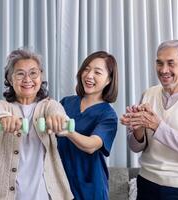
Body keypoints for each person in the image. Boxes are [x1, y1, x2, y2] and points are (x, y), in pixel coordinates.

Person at [120, 40, 178, 200]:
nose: (163, 70)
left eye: (171, 63)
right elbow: (135, 147)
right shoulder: (148, 94)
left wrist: (157, 126)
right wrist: (138, 129)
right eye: (159, 63)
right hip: (146, 183)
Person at [0, 49, 73, 200]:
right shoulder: (3, 106)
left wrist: (57, 119)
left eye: (33, 73)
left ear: (41, 77)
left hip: (44, 193)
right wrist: (4, 119)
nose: (27, 79)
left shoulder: (49, 105)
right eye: (20, 74)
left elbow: (57, 112)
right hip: (8, 194)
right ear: (10, 79)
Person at [56, 51, 118, 200]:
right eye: (86, 69)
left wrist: (68, 131)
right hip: (61, 184)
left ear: (109, 80)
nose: (89, 75)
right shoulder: (66, 103)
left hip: (90, 188)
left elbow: (91, 145)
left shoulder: (108, 115)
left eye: (97, 72)